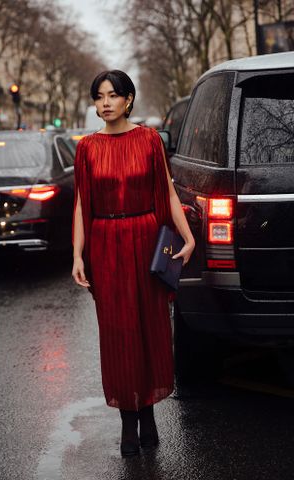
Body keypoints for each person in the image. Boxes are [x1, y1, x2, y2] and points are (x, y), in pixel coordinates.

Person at [72, 70, 195, 457]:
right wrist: (77, 254)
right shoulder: (87, 147)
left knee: (149, 325)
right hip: (105, 245)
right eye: (98, 96)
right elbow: (81, 204)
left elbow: (168, 191)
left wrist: (187, 235)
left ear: (128, 99)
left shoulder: (148, 140)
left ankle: (148, 412)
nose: (105, 102)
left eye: (113, 95)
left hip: (146, 241)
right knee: (117, 332)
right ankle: (128, 419)